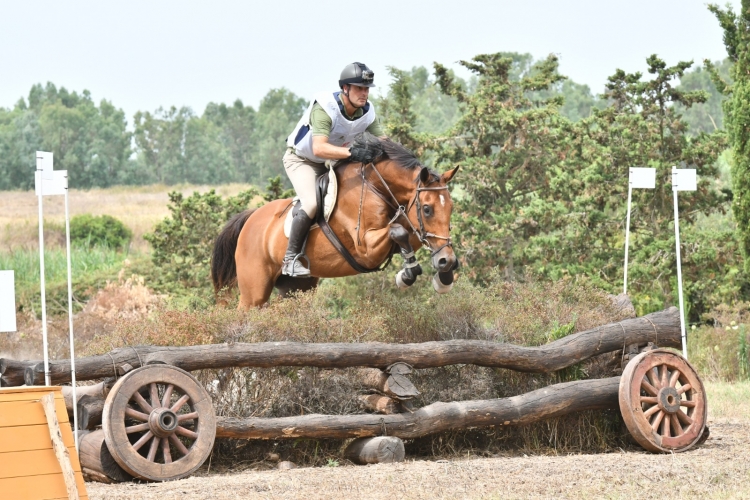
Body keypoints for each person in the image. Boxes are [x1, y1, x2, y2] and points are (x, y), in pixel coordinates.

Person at [281, 62, 386, 277]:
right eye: (359, 88)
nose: (364, 93)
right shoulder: (325, 106)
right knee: (311, 203)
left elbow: (384, 142)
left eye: (366, 89)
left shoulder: (366, 111)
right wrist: (352, 153)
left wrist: (407, 161)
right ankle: (290, 259)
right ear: (345, 88)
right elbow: (319, 148)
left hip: (330, 161)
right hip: (301, 160)